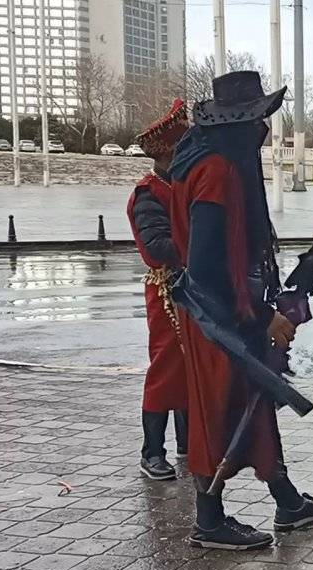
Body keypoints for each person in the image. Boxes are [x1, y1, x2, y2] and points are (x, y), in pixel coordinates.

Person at [167, 71, 313, 550]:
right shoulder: (217, 171)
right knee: (217, 411)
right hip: (217, 316)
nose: (264, 131)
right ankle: (209, 520)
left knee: (255, 404)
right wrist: (263, 318)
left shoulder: (203, 162)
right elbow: (207, 264)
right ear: (239, 125)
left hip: (225, 310)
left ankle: (286, 500)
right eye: (259, 121)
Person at [126, 99, 190, 481]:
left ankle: (187, 441)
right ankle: (152, 451)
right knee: (166, 368)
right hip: (166, 290)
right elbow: (157, 248)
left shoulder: (178, 187)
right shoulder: (149, 194)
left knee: (190, 364)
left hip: (188, 287)